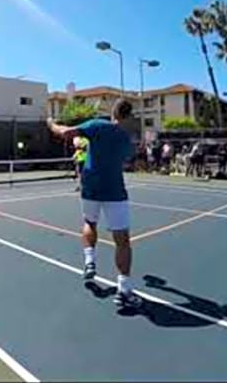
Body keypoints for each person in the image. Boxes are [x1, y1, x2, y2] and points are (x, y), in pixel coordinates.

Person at [47, 99, 142, 308]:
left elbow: (64, 132)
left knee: (90, 223)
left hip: (90, 187)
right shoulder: (126, 140)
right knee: (122, 240)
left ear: (113, 112)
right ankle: (123, 289)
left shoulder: (97, 125)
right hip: (114, 191)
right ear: (129, 116)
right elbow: (126, 160)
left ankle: (89, 261)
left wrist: (51, 123)